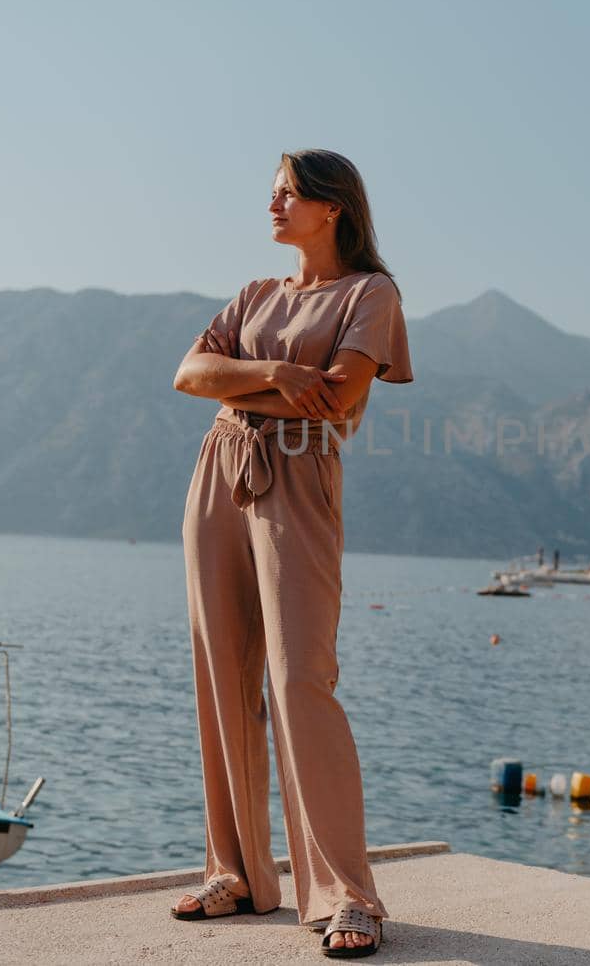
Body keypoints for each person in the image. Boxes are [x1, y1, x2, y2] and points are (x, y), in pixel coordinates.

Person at [172, 149, 413, 959]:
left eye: (288, 195)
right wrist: (273, 368)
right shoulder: (254, 295)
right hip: (219, 469)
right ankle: (236, 874)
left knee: (301, 676)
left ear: (332, 206)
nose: (273, 206)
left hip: (301, 470)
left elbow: (339, 394)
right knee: (221, 673)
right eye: (273, 194)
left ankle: (348, 893)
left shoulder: (370, 294)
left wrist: (236, 377)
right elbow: (187, 374)